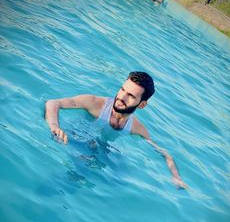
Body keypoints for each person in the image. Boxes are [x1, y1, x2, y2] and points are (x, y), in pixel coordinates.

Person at [45, 72, 188, 189]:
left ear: (142, 105)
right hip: (74, 137)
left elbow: (165, 154)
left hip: (101, 147)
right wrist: (55, 126)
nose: (121, 97)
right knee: (82, 168)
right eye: (123, 89)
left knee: (120, 180)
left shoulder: (136, 128)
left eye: (131, 96)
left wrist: (176, 177)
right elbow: (53, 103)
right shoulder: (95, 103)